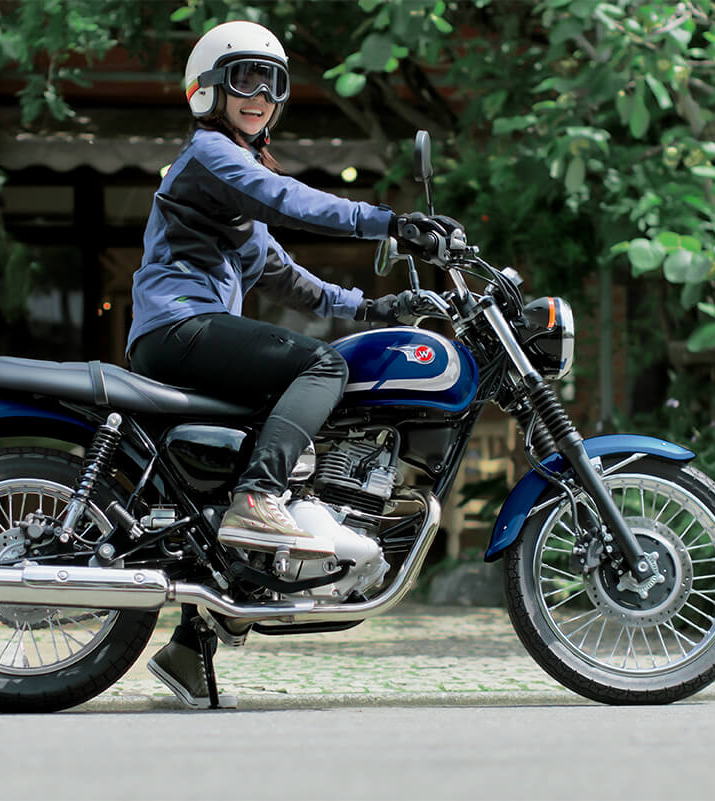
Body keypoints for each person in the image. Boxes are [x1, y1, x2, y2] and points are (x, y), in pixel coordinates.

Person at [125, 20, 454, 708]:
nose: (261, 95)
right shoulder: (211, 157)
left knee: (260, 436)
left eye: (272, 84)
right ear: (209, 89)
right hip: (179, 323)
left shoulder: (234, 192)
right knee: (324, 369)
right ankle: (258, 500)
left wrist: (373, 306)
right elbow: (289, 200)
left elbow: (287, 277)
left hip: (191, 327)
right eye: (245, 78)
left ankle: (193, 647)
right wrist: (386, 222)